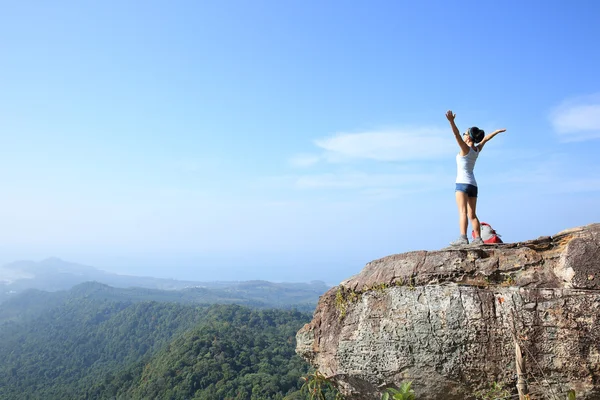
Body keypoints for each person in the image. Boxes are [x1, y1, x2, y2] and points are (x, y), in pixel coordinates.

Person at [445, 110, 506, 246]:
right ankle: (478, 238)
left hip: (462, 184)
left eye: (465, 134)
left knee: (462, 212)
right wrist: (496, 132)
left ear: (468, 138)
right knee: (472, 214)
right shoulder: (476, 150)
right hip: (473, 185)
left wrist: (451, 121)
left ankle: (463, 238)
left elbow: (455, 134)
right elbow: (485, 139)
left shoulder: (464, 149)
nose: (463, 135)